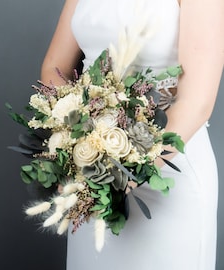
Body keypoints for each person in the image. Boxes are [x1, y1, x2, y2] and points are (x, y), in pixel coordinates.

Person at [40, 0, 224, 269]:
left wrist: (117, 175)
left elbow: (196, 104)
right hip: (89, 168)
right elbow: (53, 68)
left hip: (168, 171)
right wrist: (73, 142)